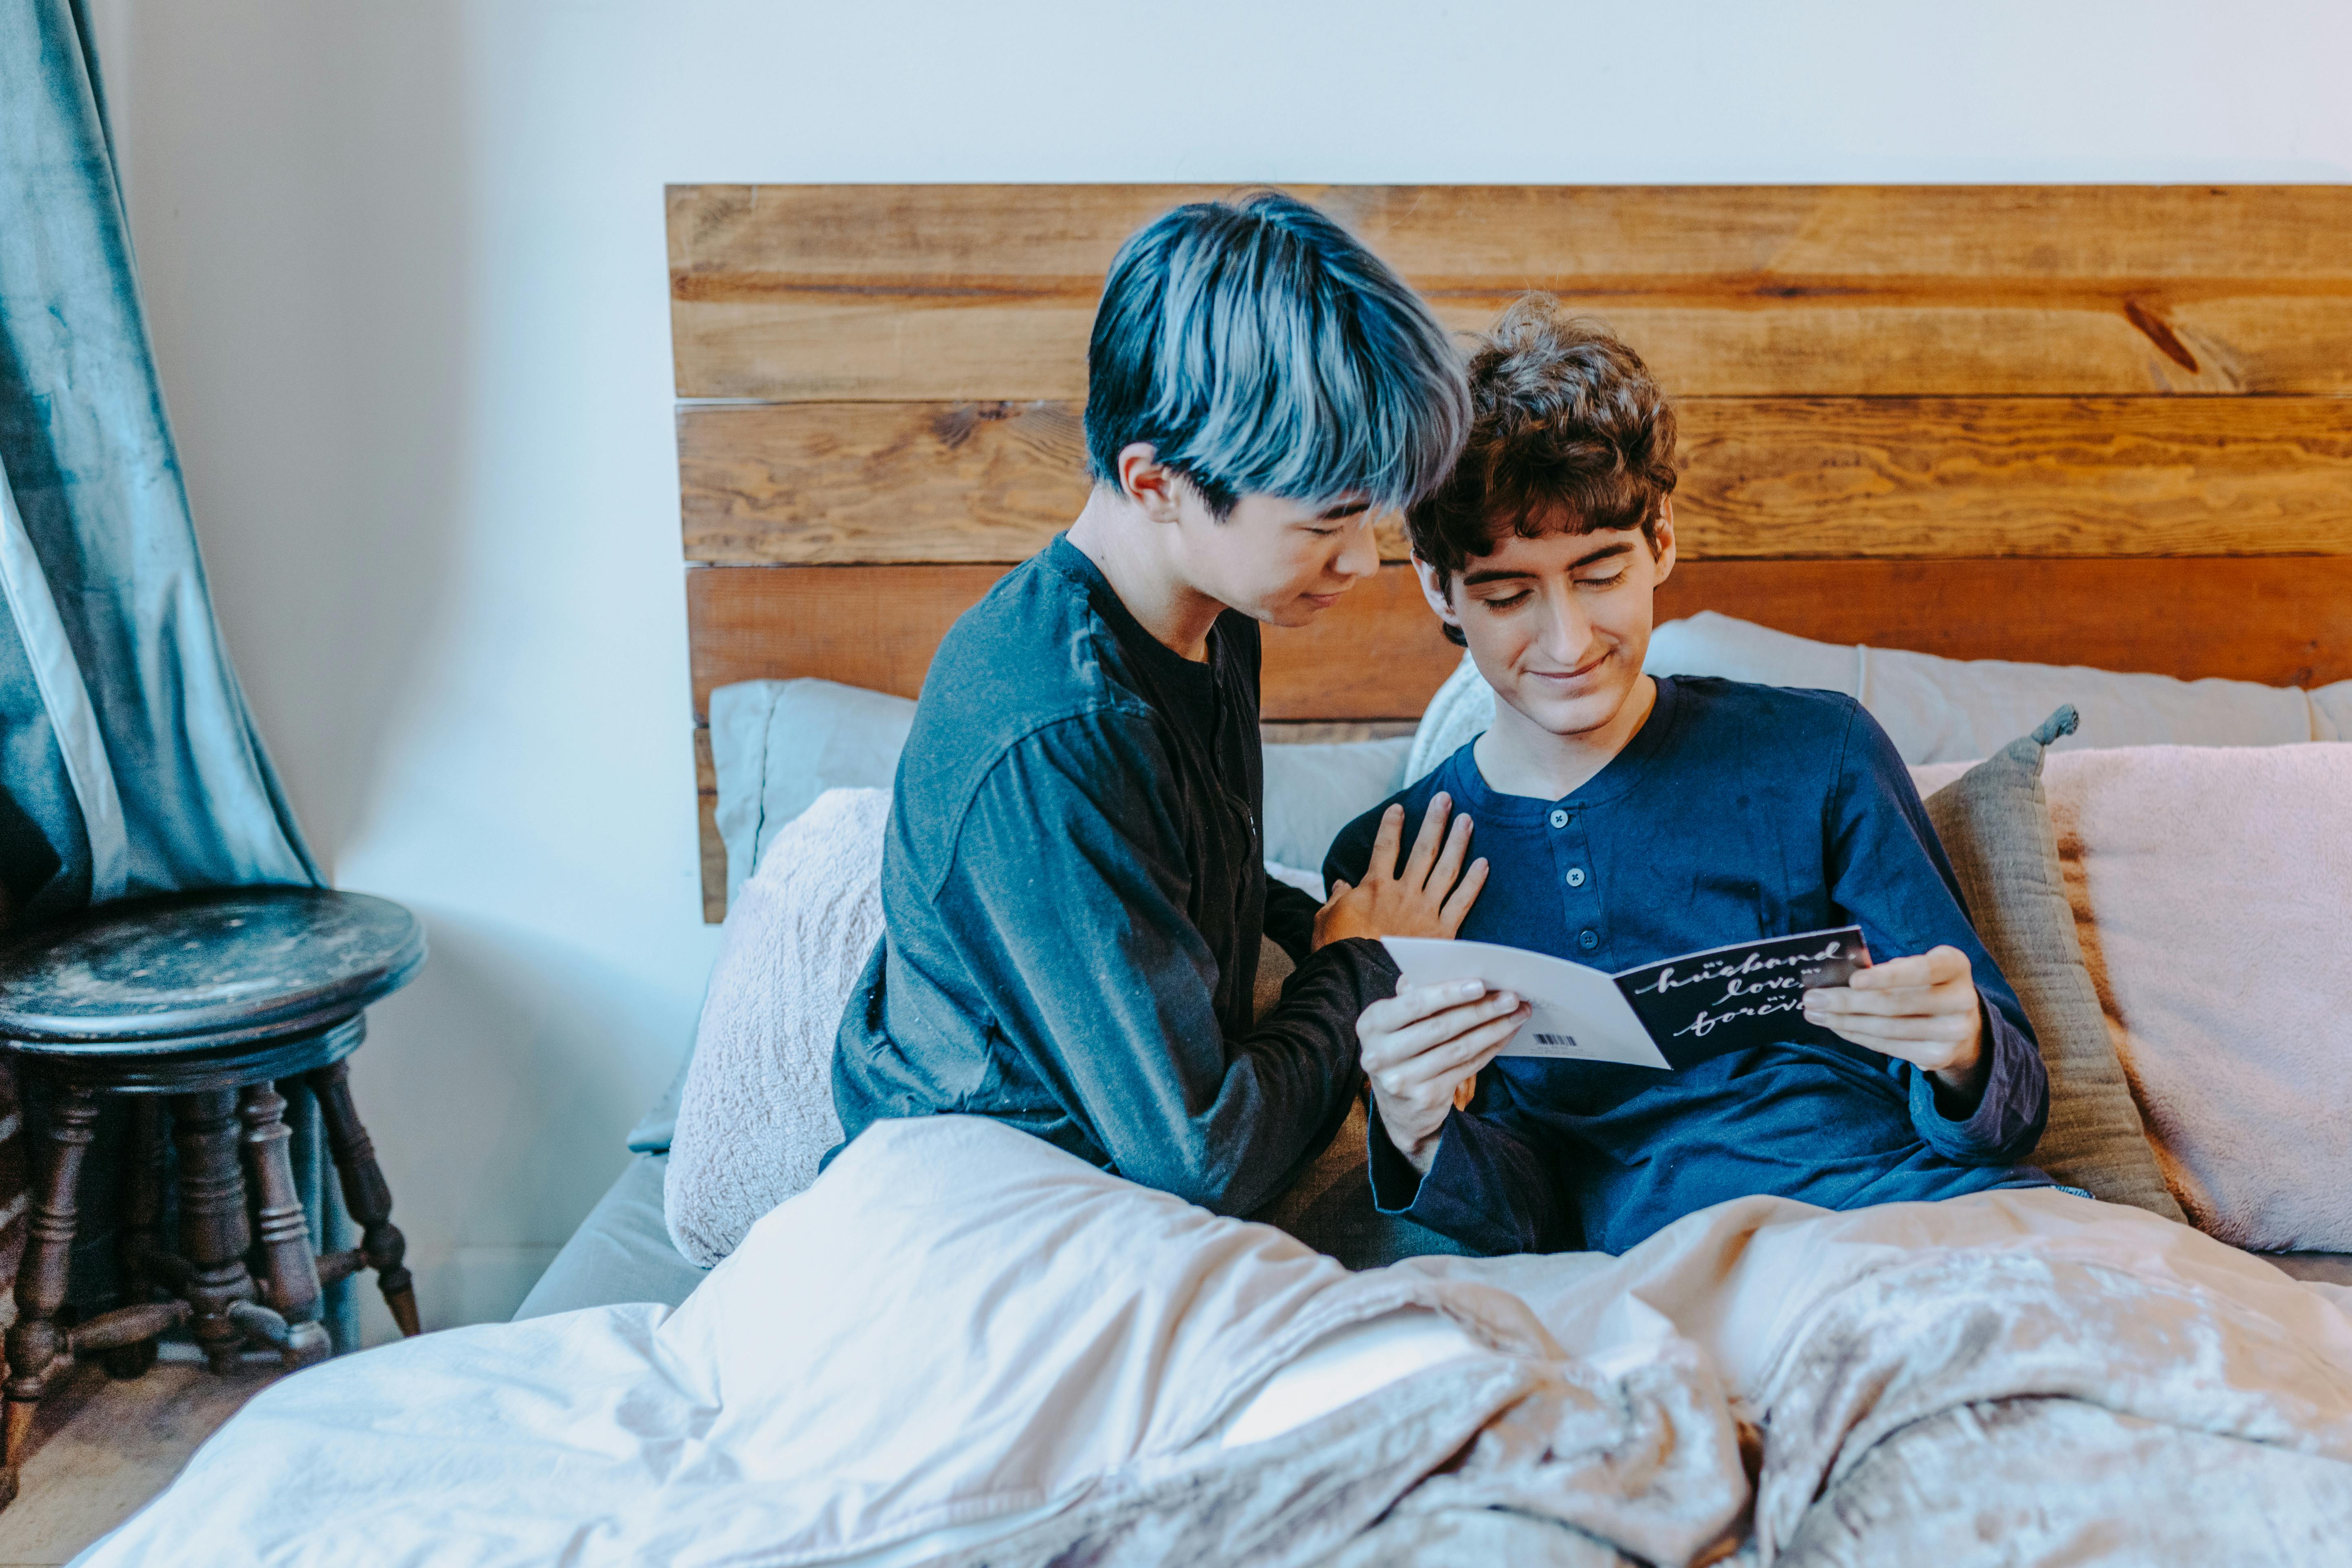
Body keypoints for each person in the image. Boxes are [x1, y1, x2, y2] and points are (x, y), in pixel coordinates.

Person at [1323, 296, 2051, 1257]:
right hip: (1677, 1271)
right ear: (1437, 590)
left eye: (1598, 575)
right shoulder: (1395, 867)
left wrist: (1960, 1046)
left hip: (1929, 1218)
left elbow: (2006, 1115)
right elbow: (1524, 1220)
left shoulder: (1816, 753)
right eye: (1506, 595)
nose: (1568, 642)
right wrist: (1415, 1129)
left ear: (1660, 540)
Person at [829, 191, 1482, 1221]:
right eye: (1328, 524)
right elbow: (1202, 1158)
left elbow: (1184, 867)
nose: (1362, 562)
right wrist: (1360, 960)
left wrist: (1327, 929)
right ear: (1156, 483)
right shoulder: (1061, 729)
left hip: (1121, 1150)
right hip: (993, 1210)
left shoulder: (1212, 615)